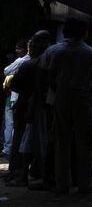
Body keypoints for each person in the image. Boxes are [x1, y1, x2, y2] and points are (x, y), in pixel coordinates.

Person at [48, 18, 92, 194]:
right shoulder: (90, 52)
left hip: (62, 97)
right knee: (85, 141)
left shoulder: (56, 51)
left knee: (61, 141)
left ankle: (62, 183)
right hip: (82, 98)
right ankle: (84, 182)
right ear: (84, 33)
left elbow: (50, 78)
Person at [6, 31, 50, 187]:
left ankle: (20, 174)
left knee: (23, 142)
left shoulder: (29, 64)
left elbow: (15, 85)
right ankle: (35, 172)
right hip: (44, 108)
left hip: (28, 107)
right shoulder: (49, 62)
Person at [3, 39, 29, 159]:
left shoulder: (21, 60)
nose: (17, 51)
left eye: (19, 48)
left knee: (11, 124)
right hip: (16, 96)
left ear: (25, 49)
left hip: (14, 97)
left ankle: (9, 149)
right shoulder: (34, 60)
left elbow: (6, 71)